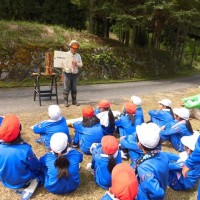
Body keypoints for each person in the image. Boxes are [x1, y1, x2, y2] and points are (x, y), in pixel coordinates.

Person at [0, 114, 44, 200]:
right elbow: (35, 167)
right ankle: (32, 183)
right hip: (23, 181)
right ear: (19, 131)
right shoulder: (25, 149)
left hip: (6, 182)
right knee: (43, 171)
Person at [135, 123, 169, 200]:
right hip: (162, 185)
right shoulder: (162, 154)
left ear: (139, 145)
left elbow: (158, 193)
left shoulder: (143, 167)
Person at [62, 40, 83, 107]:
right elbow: (61, 63)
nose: (74, 49)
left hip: (75, 73)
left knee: (74, 88)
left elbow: (81, 64)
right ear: (70, 47)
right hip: (67, 73)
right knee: (66, 88)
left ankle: (74, 101)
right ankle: (66, 101)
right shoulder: (66, 54)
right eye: (73, 48)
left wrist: (76, 63)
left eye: (76, 48)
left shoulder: (78, 55)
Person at [182, 133, 200, 199]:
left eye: (184, 146)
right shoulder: (195, 159)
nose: (183, 147)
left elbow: (178, 166)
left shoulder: (194, 162)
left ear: (189, 149)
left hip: (186, 183)